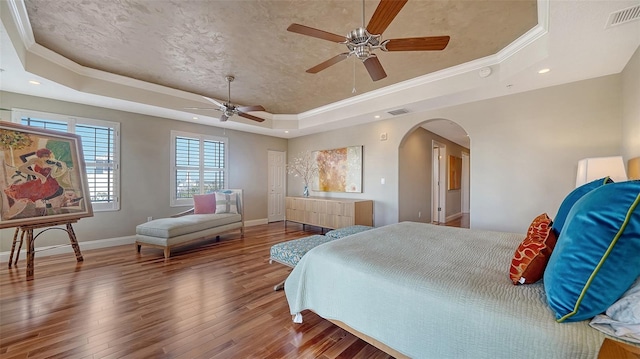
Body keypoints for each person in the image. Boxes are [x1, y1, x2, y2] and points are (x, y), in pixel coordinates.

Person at [4, 148, 68, 216]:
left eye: (47, 156)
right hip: (39, 182)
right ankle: (9, 214)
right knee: (22, 191)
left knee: (29, 195)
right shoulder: (34, 160)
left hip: (51, 184)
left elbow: (54, 175)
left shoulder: (52, 164)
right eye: (44, 157)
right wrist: (39, 175)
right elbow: (21, 168)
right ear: (40, 156)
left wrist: (61, 169)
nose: (46, 158)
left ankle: (51, 212)